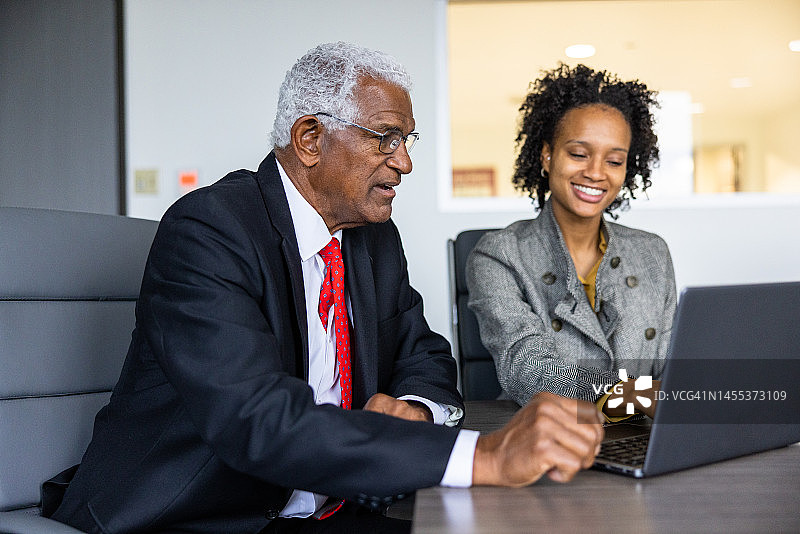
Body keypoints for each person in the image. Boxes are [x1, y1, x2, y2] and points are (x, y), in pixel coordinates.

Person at [51, 44, 604, 534]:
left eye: (407, 140)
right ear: (310, 138)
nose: (405, 162)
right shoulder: (209, 231)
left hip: (334, 508)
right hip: (200, 514)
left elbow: (426, 354)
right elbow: (259, 421)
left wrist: (415, 409)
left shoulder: (372, 238)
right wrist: (480, 458)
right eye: (385, 138)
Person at [466, 63, 677, 420]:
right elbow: (528, 371)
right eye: (578, 154)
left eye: (614, 160)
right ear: (547, 156)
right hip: (547, 441)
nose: (595, 172)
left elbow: (671, 370)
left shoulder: (652, 253)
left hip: (643, 441)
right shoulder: (499, 254)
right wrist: (636, 395)